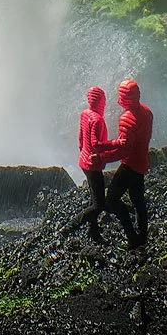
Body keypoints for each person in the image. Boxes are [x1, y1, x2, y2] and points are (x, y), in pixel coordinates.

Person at [99, 77, 153, 251]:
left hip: (129, 165)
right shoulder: (147, 111)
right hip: (142, 161)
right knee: (138, 200)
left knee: (112, 200)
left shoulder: (127, 119)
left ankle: (132, 238)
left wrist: (102, 157)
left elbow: (124, 150)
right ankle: (143, 235)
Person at [62, 86, 111, 242]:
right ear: (100, 101)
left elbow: (81, 138)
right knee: (99, 205)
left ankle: (93, 231)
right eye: (103, 100)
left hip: (83, 161)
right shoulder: (97, 119)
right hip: (92, 165)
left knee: (94, 197)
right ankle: (71, 226)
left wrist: (84, 152)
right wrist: (115, 144)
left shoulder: (85, 114)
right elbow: (96, 144)